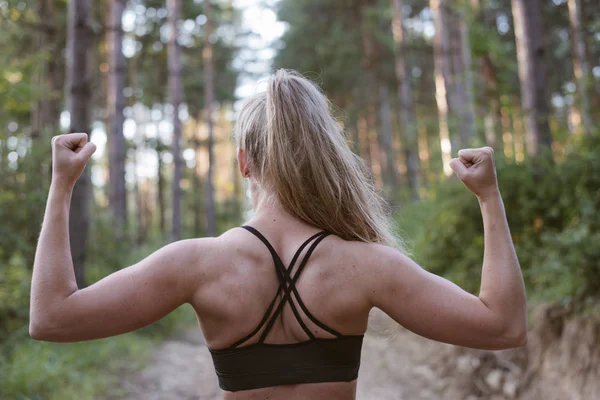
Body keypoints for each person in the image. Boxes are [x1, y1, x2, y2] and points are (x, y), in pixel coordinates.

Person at [30, 69, 526, 400]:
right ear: (322, 158)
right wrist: (488, 198)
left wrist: (62, 185)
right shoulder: (369, 265)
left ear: (244, 163)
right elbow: (502, 326)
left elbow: (52, 317)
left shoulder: (195, 265)